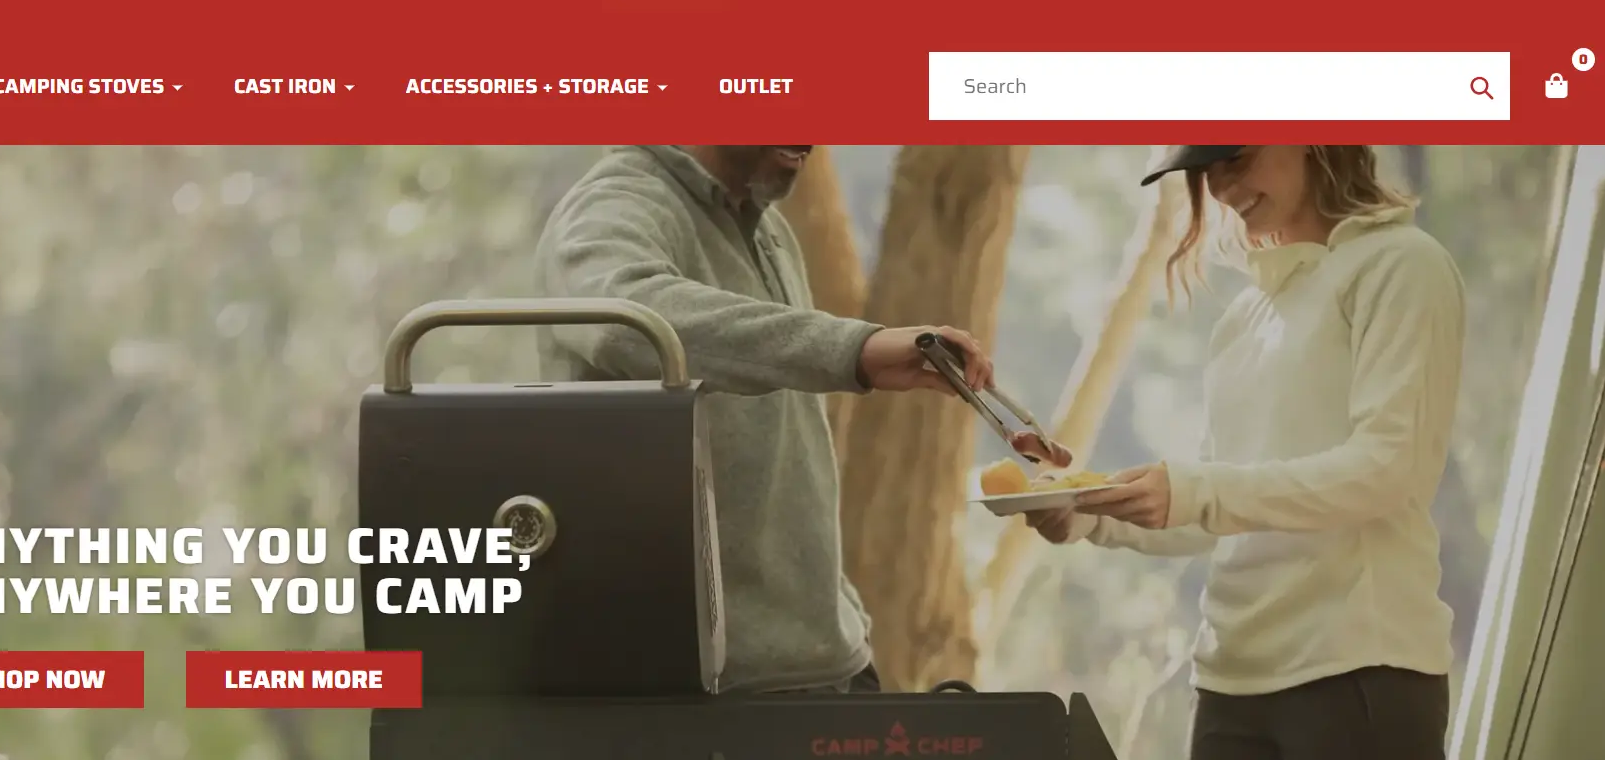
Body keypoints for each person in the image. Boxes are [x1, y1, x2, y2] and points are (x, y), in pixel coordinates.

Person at [535, 145, 1067, 694]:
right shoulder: (616, 204)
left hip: (830, 663)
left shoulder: (769, 230)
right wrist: (852, 347)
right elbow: (628, 322)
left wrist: (842, 612)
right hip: (712, 689)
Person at [1028, 146, 1463, 759]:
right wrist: (1086, 513)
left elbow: (1387, 471)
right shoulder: (1245, 316)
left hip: (1359, 671)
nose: (1222, 188)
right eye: (1205, 171)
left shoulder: (1401, 265)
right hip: (1230, 683)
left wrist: (1195, 492)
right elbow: (1218, 512)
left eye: (1234, 156)